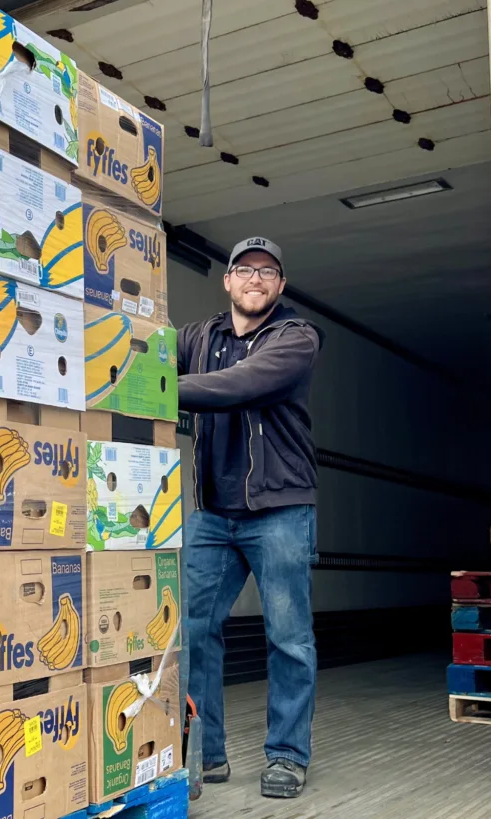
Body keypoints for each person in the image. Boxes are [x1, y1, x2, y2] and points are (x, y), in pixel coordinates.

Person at [177, 236, 324, 799]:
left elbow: (244, 386)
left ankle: (287, 755)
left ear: (280, 285)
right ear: (228, 281)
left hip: (280, 510)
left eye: (267, 272)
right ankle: (204, 755)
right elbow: (142, 351)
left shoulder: (296, 337)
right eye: (245, 270)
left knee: (288, 636)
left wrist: (164, 390)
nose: (255, 279)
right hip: (213, 514)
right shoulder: (199, 338)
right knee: (192, 630)